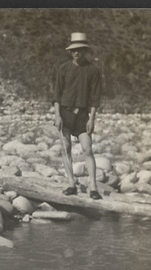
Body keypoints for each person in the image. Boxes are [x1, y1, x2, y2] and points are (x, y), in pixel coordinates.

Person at [53, 32, 102, 200]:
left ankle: (93, 187)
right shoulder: (63, 69)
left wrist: (92, 118)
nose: (77, 53)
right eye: (74, 50)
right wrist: (57, 116)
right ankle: (71, 184)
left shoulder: (93, 70)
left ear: (84, 50)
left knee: (87, 149)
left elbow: (96, 97)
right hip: (65, 113)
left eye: (80, 50)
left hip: (82, 115)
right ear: (70, 52)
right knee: (66, 149)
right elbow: (57, 95)